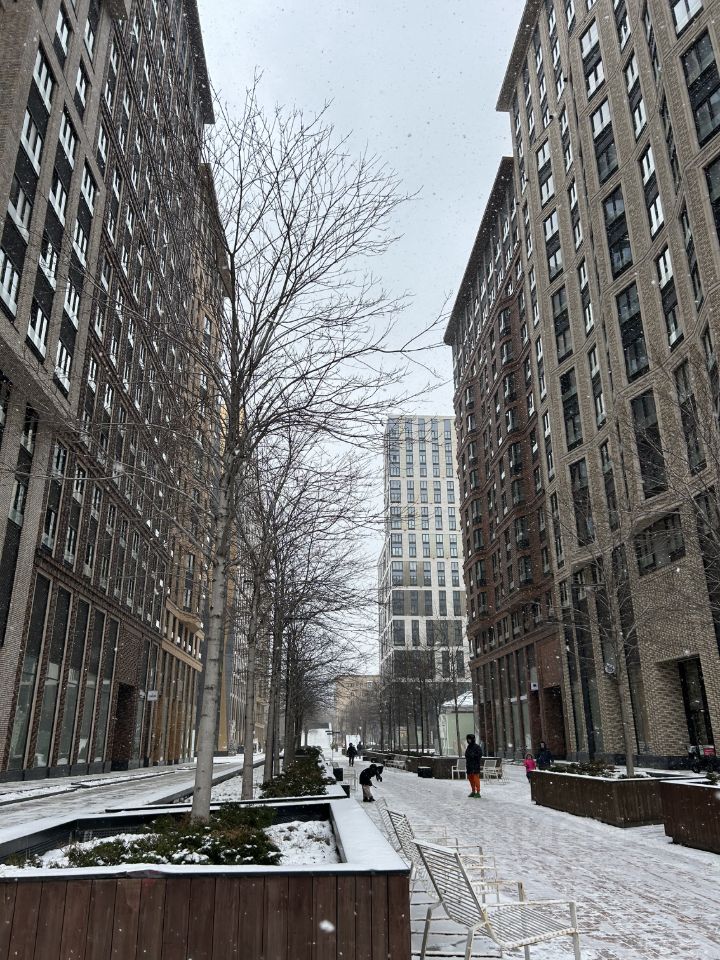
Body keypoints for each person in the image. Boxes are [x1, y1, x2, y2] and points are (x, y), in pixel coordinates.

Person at [464, 734, 483, 798]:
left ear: (472, 739)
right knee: (471, 779)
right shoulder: (468, 747)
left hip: (475, 766)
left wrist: (473, 756)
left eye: (469, 739)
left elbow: (479, 755)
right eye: (468, 739)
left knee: (476, 779)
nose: (468, 740)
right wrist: (469, 756)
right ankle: (473, 791)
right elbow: (466, 754)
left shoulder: (477, 747)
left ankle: (478, 792)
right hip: (469, 766)